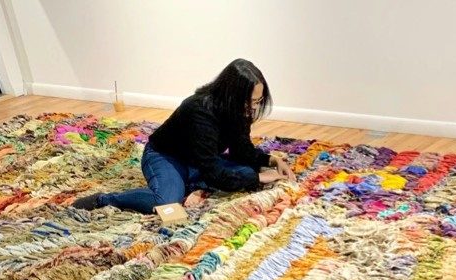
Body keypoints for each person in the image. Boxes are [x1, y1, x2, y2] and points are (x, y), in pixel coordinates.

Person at [74, 59, 294, 213]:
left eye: (257, 101)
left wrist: (272, 160)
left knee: (247, 170)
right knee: (167, 202)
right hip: (166, 157)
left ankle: (191, 184)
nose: (253, 108)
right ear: (231, 95)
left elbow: (241, 149)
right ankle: (105, 200)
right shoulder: (199, 109)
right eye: (250, 101)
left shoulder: (238, 111)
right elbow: (213, 170)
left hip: (199, 162)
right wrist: (257, 178)